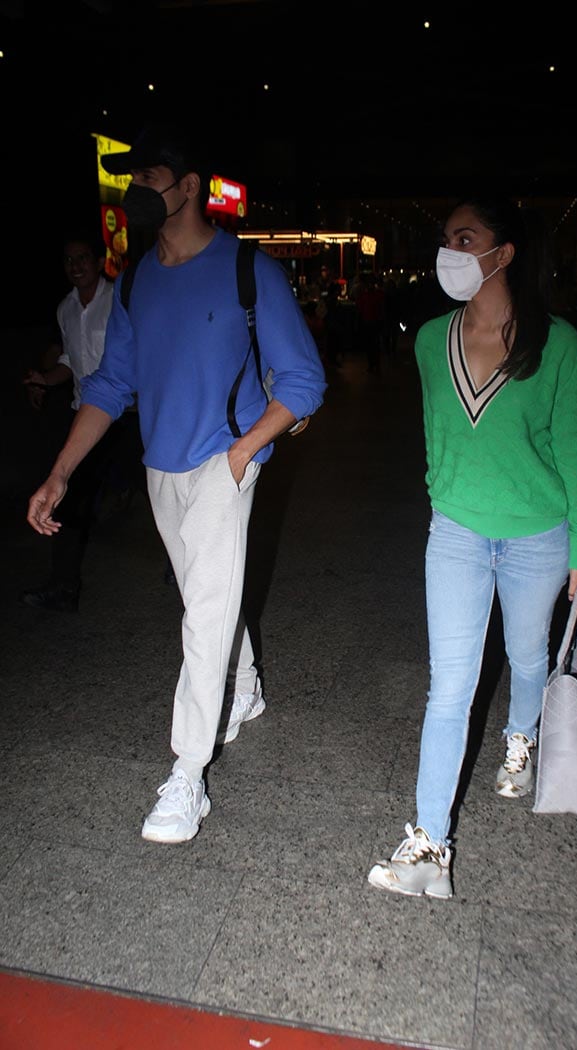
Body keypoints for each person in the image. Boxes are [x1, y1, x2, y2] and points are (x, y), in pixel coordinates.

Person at [26, 122, 327, 844]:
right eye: (129, 181)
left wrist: (246, 450)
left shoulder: (249, 270)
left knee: (201, 614)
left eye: (149, 178)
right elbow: (110, 384)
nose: (133, 192)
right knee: (206, 596)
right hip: (161, 466)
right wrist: (59, 473)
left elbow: (305, 382)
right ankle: (245, 689)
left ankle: (187, 774)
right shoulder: (134, 282)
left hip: (226, 460)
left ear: (189, 187)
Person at [367, 196, 577, 898]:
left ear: (503, 254)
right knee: (450, 687)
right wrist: (445, 502)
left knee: (529, 654)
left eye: (465, 239)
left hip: (537, 534)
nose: (450, 252)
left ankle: (520, 738)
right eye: (446, 239)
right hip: (459, 533)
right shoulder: (429, 337)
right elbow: (438, 432)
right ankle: (429, 845)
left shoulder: (556, 343)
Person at [21, 232, 119, 612]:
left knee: (163, 491)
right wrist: (44, 380)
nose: (76, 266)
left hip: (129, 413)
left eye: (82, 258)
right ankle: (64, 587)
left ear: (99, 262)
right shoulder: (65, 309)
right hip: (87, 415)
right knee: (69, 498)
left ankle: (181, 567)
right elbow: (70, 363)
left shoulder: (119, 301)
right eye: (68, 260)